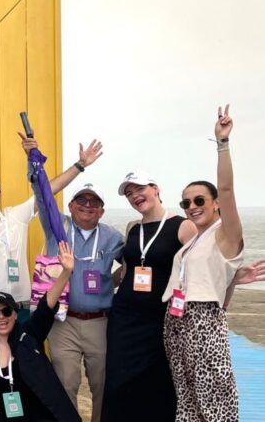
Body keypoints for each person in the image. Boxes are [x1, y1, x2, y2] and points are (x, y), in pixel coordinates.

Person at [0, 134, 103, 333]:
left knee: (25, 360)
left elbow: (49, 188)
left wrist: (80, 165)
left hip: (21, 308)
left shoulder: (16, 216)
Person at [161, 105, 245, 421]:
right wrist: (235, 278)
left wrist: (222, 144)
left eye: (199, 200)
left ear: (215, 205)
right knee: (187, 401)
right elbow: (215, 278)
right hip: (176, 320)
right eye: (186, 202)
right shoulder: (192, 241)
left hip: (202, 321)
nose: (192, 206)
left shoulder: (225, 234)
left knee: (215, 399)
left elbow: (226, 188)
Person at [101, 170, 196, 422]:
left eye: (139, 189)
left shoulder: (183, 226)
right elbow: (127, 271)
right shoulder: (133, 229)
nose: (135, 196)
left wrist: (234, 275)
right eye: (129, 193)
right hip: (123, 319)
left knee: (157, 382)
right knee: (119, 380)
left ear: (155, 188)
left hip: (159, 319)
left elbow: (203, 265)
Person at [38, 184, 122, 422]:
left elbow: (134, 265)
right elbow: (42, 198)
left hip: (100, 323)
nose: (87, 206)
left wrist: (109, 282)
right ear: (71, 206)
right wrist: (33, 162)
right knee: (65, 384)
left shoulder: (113, 237)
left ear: (102, 211)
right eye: (81, 200)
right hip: (63, 321)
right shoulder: (57, 228)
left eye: (94, 202)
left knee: (102, 385)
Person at [0, 242, 81, 422]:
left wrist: (66, 272)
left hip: (33, 411)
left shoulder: (28, 334)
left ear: (15, 314)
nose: (1, 317)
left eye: (6, 311)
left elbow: (47, 304)